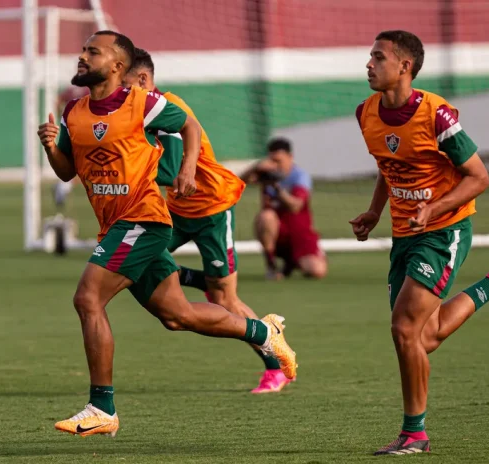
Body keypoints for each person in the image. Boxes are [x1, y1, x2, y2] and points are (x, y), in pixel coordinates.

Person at [36, 31, 297, 437]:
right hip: (115, 224)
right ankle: (264, 332)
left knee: (88, 298)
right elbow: (67, 171)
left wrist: (189, 168)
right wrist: (53, 147)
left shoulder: (143, 103)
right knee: (179, 316)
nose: (82, 56)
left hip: (144, 219)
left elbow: (188, 125)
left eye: (93, 52)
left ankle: (102, 407)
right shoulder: (74, 111)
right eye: (83, 50)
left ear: (118, 67)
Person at [350, 30, 489, 455]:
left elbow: (480, 177)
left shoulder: (437, 115)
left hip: (444, 231)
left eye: (378, 57)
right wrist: (375, 212)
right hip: (405, 234)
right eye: (369, 56)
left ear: (405, 66)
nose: (368, 64)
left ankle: (415, 434)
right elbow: (390, 164)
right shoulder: (366, 112)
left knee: (404, 330)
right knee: (424, 337)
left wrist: (434, 210)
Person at [122, 48, 293, 394]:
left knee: (225, 300)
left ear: (143, 81)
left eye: (124, 85)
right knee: (131, 261)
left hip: (213, 207)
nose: (119, 93)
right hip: (177, 209)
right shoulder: (136, 111)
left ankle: (275, 366)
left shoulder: (166, 107)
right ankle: (194, 277)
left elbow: (167, 170)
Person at [242, 138, 327, 280]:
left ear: (290, 157)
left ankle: (294, 262)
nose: (275, 165)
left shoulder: (299, 176)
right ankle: (271, 267)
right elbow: (236, 182)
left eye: (279, 161)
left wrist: (276, 187)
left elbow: (295, 206)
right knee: (266, 216)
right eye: (272, 160)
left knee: (316, 271)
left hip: (300, 234)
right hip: (277, 232)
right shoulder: (265, 174)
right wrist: (255, 168)